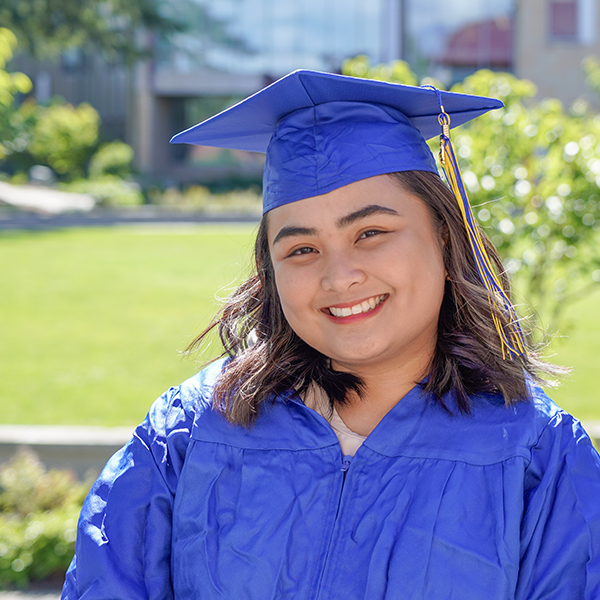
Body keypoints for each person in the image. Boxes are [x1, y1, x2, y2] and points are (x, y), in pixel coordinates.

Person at [61, 70, 600, 599]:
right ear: (270, 271)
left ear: (443, 234)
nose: (339, 277)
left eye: (371, 233)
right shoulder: (187, 435)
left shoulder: (536, 456)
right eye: (301, 249)